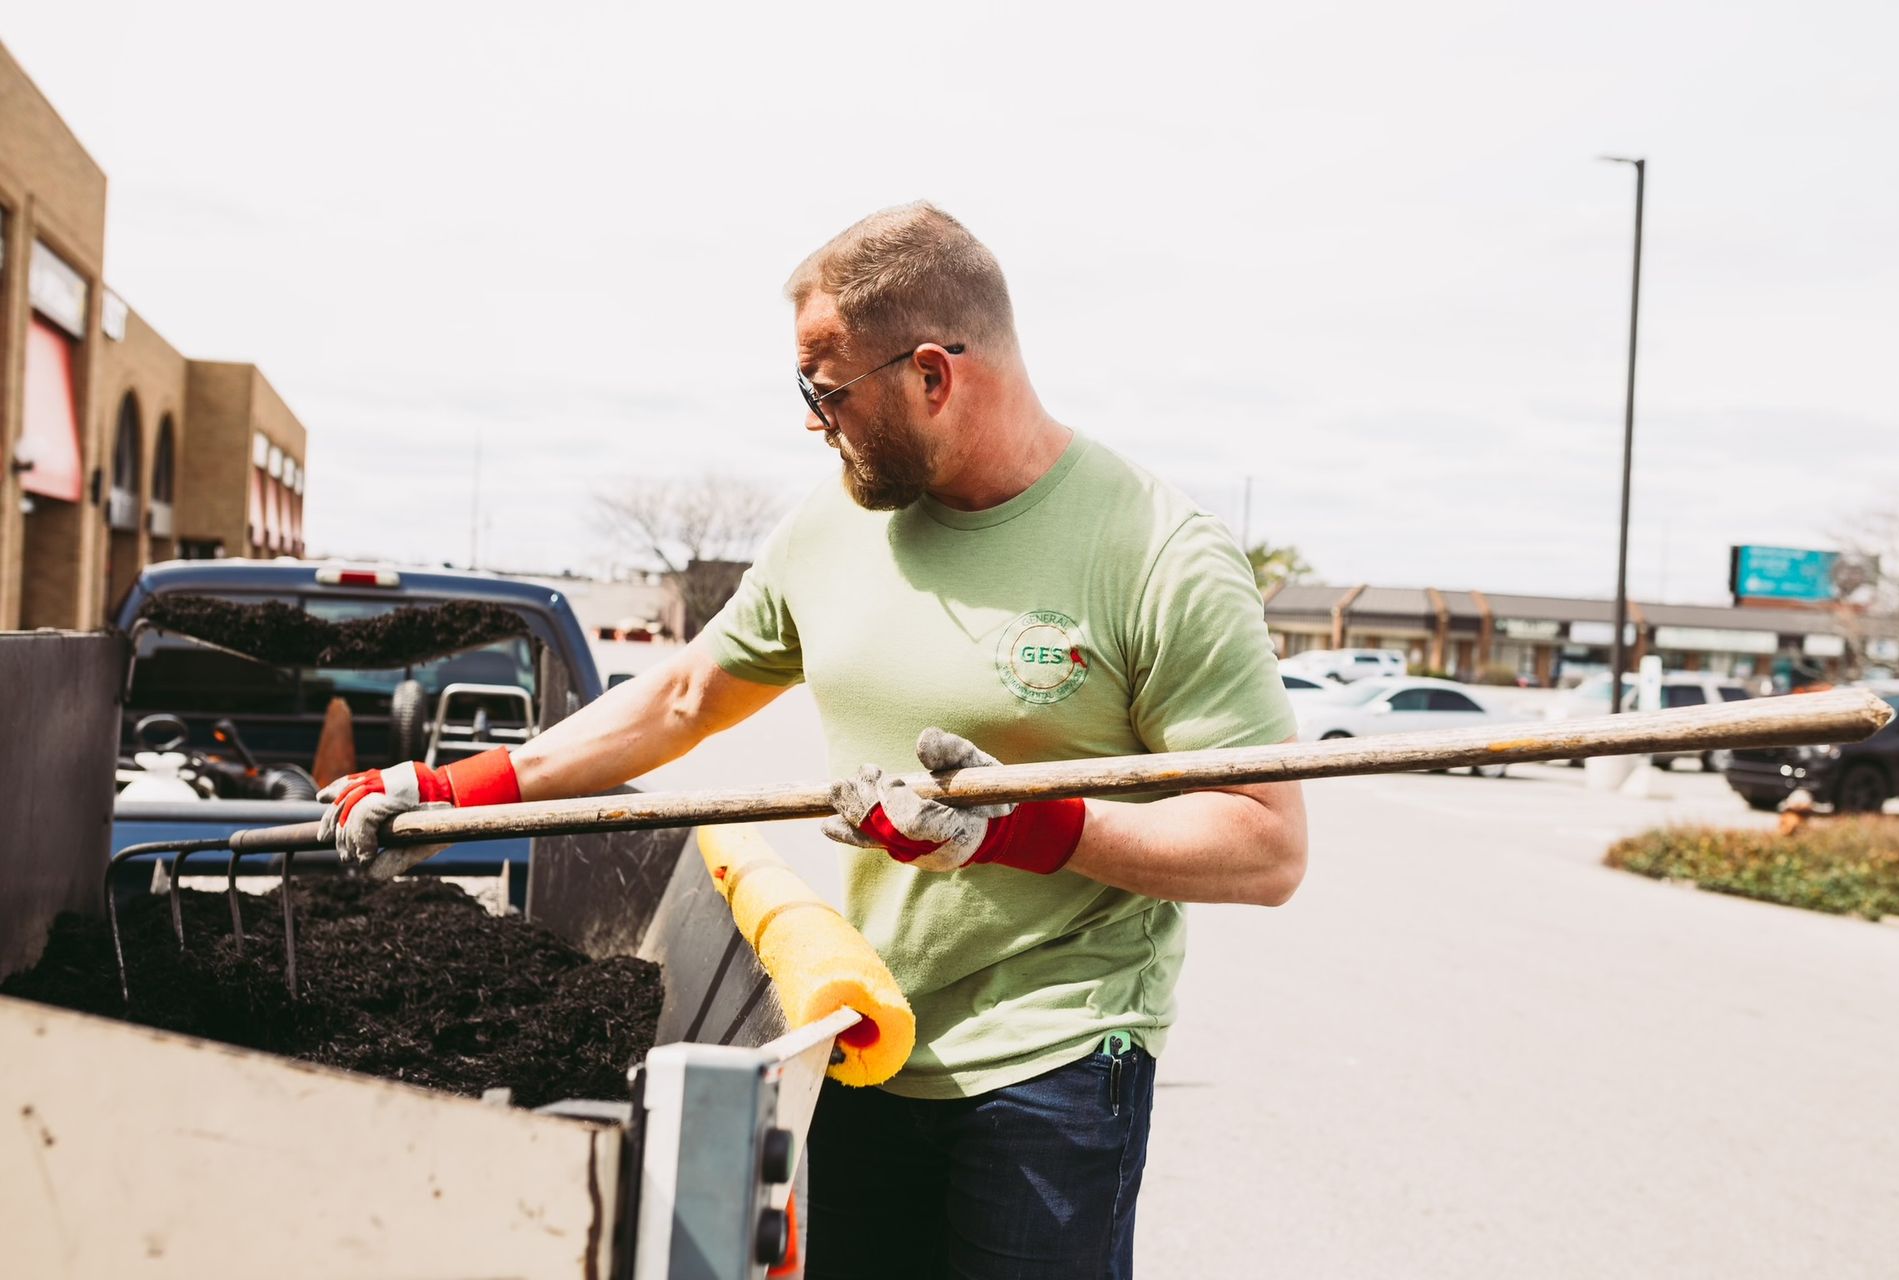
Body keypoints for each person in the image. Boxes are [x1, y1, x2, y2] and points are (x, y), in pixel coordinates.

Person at [320, 202, 1309, 1279]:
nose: (810, 420)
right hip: (868, 1034)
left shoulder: (1157, 551)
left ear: (934, 373)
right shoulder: (837, 524)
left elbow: (1264, 843)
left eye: (825, 387)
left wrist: (1025, 825)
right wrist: (454, 784)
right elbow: (686, 695)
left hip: (1056, 1059)